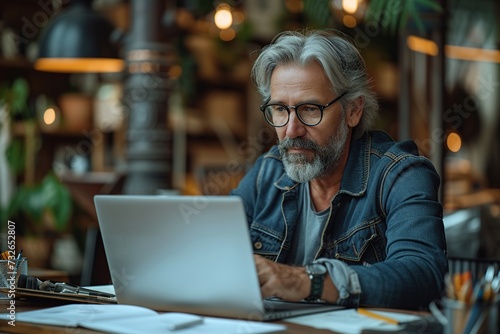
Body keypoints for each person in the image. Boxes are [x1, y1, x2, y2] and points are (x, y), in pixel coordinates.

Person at [230, 29, 447, 310]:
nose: (291, 130)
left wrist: (307, 281)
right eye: (280, 110)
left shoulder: (400, 175)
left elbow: (423, 274)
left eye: (309, 109)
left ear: (353, 110)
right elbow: (214, 249)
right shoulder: (268, 173)